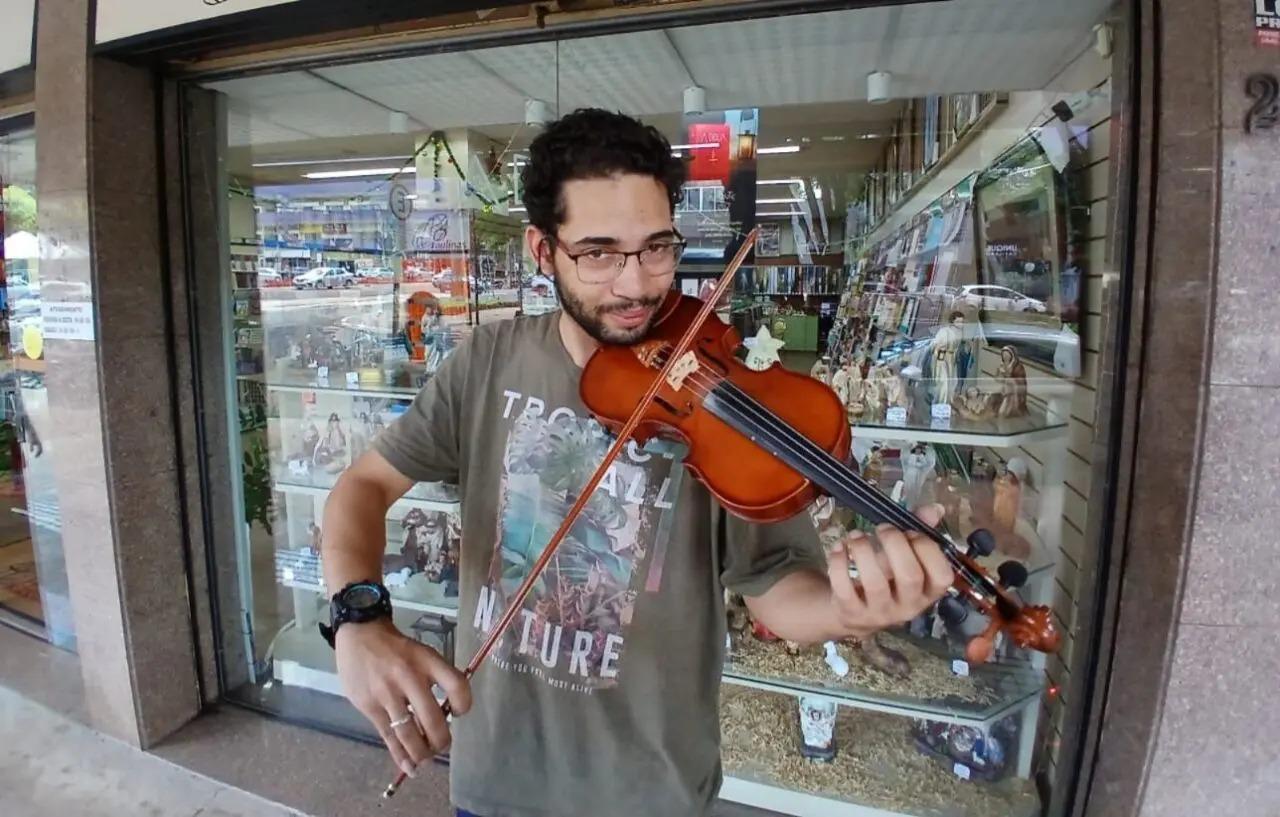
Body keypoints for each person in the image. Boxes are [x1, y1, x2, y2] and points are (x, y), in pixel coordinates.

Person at [320, 108, 953, 817]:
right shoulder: (487, 361)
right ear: (542, 250)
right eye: (599, 253)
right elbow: (364, 485)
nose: (637, 285)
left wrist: (850, 609)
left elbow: (775, 586)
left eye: (657, 248)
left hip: (652, 791)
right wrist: (357, 617)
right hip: (497, 779)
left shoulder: (722, 396)